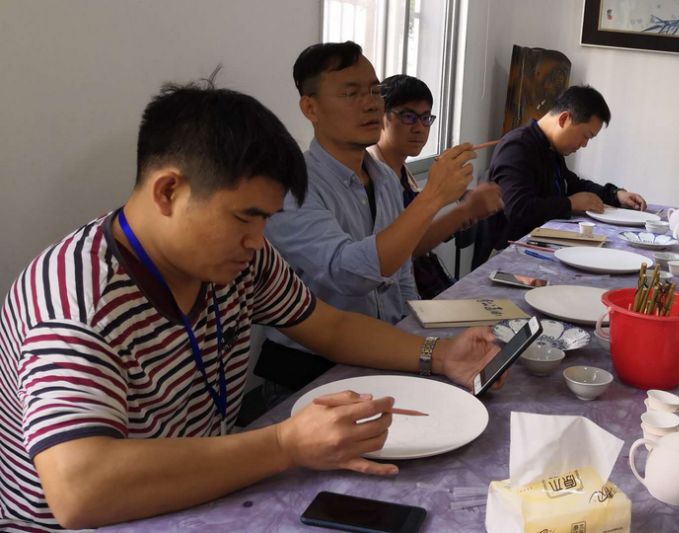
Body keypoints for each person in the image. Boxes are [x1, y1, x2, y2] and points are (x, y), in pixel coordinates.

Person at [0, 81, 502, 531]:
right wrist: (284, 444)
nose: (258, 240)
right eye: (245, 217)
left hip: (201, 489)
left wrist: (439, 355)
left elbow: (327, 326)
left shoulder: (241, 259)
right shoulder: (77, 298)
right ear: (169, 191)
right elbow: (79, 491)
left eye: (266, 219)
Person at [257, 42, 478, 393]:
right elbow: (347, 274)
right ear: (310, 108)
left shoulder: (384, 177)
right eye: (351, 93)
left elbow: (402, 273)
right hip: (310, 369)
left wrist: (414, 334)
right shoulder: (293, 184)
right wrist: (433, 198)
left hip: (385, 349)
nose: (372, 104)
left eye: (375, 91)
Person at [474, 85, 647, 264]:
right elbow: (519, 209)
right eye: (585, 136)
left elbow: (574, 185)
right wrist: (570, 203)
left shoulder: (550, 148)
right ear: (564, 119)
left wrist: (616, 194)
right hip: (509, 255)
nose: (584, 145)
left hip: (541, 245)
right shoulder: (517, 148)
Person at [368, 74, 503, 299]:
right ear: (381, 117)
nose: (419, 128)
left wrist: (465, 208)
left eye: (425, 118)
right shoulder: (372, 174)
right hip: (399, 296)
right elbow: (404, 250)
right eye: (408, 117)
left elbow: (417, 232)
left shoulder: (401, 170)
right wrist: (464, 212)